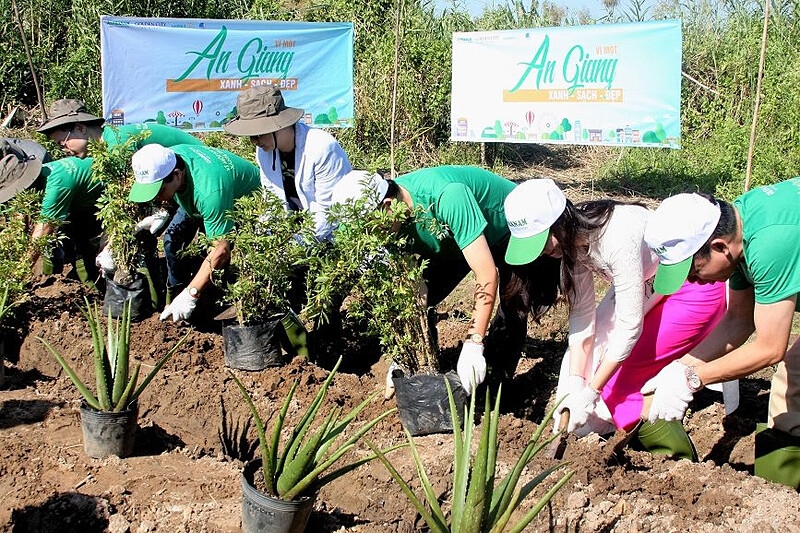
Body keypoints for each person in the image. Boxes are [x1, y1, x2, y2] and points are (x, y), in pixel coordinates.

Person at [503, 179, 727, 457]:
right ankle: (580, 441)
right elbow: (583, 315)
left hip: (693, 285)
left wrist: (591, 391)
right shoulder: (573, 241)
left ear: (561, 220)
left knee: (618, 380)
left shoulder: (616, 236)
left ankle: (675, 458)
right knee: (579, 366)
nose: (545, 252)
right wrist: (576, 382)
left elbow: (629, 327)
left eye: (543, 240)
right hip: (651, 285)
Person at [331, 167, 560, 396]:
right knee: (428, 293)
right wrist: (406, 353)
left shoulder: (447, 197)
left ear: (388, 207)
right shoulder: (391, 224)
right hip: (453, 242)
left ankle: (493, 387)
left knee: (513, 305)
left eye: (370, 230)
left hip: (508, 231)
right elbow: (415, 291)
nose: (370, 239)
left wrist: (474, 342)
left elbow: (486, 274)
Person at [642, 183, 800, 485]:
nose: (694, 281)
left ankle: (780, 494)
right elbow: (738, 322)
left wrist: (693, 380)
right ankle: (782, 487)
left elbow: (769, 349)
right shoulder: (737, 230)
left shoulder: (770, 243)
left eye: (693, 270)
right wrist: (678, 368)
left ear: (718, 247)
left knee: (793, 371)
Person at [129, 143, 261, 321]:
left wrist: (191, 294)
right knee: (172, 240)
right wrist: (164, 210)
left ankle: (218, 299)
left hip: (242, 204)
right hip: (198, 194)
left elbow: (220, 250)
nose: (156, 198)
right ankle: (175, 300)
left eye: (159, 192)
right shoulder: (171, 157)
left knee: (219, 258)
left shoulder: (210, 192)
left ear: (177, 174)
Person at [223, 85, 352, 241]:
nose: (254, 142)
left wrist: (293, 248)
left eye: (258, 134)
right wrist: (263, 239)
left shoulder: (322, 148)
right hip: (294, 232)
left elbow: (329, 212)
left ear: (277, 125)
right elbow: (272, 201)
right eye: (251, 136)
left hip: (333, 236)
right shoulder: (264, 152)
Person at [0, 139, 104, 284]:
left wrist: (15, 277)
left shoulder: (55, 187)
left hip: (105, 200)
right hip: (81, 201)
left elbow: (42, 235)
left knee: (81, 245)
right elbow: (20, 217)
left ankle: (93, 286)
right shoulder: (39, 177)